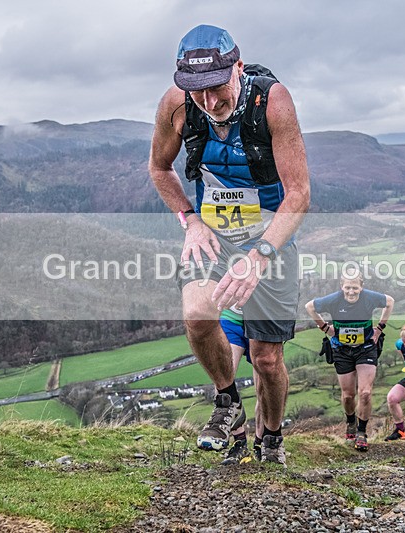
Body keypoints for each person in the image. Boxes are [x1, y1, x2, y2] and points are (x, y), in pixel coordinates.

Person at [149, 24, 310, 465]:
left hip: (269, 237)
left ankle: (271, 437)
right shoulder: (177, 105)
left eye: (219, 88)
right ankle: (227, 404)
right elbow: (160, 169)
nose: (210, 102)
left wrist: (261, 255)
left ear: (238, 68)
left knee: (266, 359)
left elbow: (298, 194)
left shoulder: (272, 102)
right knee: (198, 315)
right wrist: (190, 220)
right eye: (198, 92)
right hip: (214, 236)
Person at [305, 271, 394, 451]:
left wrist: (379, 328)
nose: (351, 291)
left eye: (355, 288)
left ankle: (362, 432)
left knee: (365, 393)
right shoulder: (334, 300)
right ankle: (351, 422)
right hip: (342, 350)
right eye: (347, 287)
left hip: (366, 348)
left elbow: (390, 301)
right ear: (341, 287)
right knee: (348, 396)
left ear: (361, 287)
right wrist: (324, 327)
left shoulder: (369, 298)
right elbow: (309, 306)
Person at [218, 307, 263, 465]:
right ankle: (240, 442)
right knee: (222, 382)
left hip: (263, 320)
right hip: (231, 316)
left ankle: (260, 443)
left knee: (263, 391)